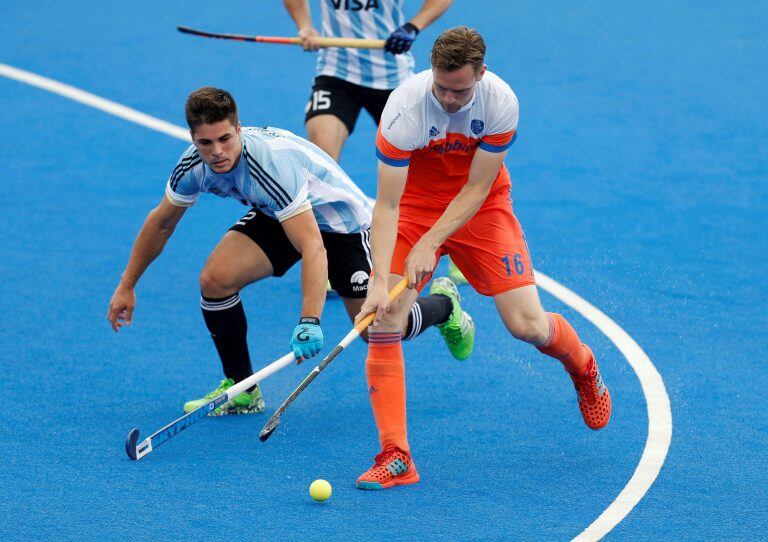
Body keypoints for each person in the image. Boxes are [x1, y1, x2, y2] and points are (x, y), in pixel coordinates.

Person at [107, 87, 473, 416]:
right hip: (282, 213)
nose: (217, 152)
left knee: (378, 330)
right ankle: (243, 389)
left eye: (224, 139)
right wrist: (127, 284)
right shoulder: (192, 166)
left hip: (343, 225)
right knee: (215, 280)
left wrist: (309, 321)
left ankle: (444, 306)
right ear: (193, 139)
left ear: (239, 129)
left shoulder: (268, 167)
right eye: (206, 143)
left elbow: (313, 245)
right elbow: (161, 223)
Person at [353, 27, 613, 490]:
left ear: (482, 74)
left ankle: (583, 366)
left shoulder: (501, 103)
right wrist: (378, 278)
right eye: (441, 87)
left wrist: (431, 243)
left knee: (527, 326)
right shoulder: (404, 109)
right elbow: (388, 204)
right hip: (413, 205)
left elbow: (477, 188)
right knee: (385, 318)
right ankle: (397, 456)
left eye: (460, 90)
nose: (450, 99)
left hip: (482, 206)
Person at [283, 0, 468, 285]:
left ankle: (457, 245)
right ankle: (330, 255)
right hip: (336, 75)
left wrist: (413, 25)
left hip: (393, 79)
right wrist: (304, 25)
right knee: (319, 164)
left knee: (436, 165)